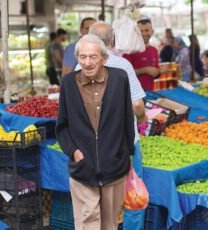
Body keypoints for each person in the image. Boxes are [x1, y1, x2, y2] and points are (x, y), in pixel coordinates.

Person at [56, 34, 135, 230]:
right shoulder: (67, 83)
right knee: (87, 220)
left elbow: (127, 118)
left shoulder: (119, 78)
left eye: (93, 57)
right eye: (83, 57)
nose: (87, 62)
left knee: (110, 223)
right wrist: (74, 152)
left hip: (114, 167)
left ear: (104, 58)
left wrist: (126, 153)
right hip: (83, 168)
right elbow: (62, 125)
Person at [74, 21, 147, 229]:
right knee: (132, 194)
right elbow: (137, 105)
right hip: (123, 144)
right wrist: (142, 120)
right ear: (113, 40)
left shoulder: (81, 67)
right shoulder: (123, 65)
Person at [123, 18, 159, 91]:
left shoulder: (154, 50)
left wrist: (158, 72)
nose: (144, 34)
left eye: (146, 30)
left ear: (152, 31)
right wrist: (145, 70)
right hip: (133, 95)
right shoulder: (129, 50)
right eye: (141, 31)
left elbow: (156, 72)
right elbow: (124, 73)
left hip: (150, 93)